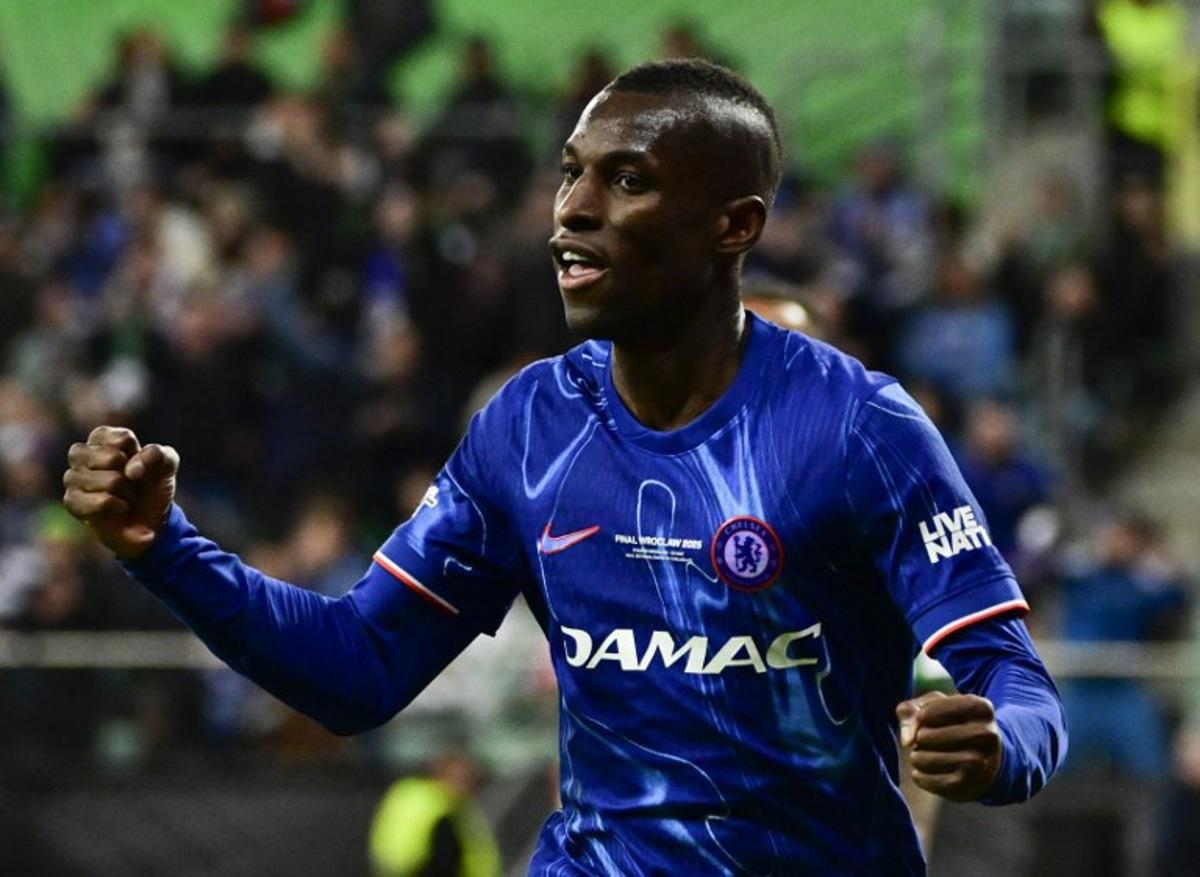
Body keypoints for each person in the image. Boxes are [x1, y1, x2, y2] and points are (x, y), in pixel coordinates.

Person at [62, 60, 1066, 875]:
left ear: (736, 226)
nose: (571, 211)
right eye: (569, 173)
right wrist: (165, 550)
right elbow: (357, 670)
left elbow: (1017, 686)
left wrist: (996, 749)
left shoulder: (860, 428)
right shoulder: (530, 424)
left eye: (625, 180)